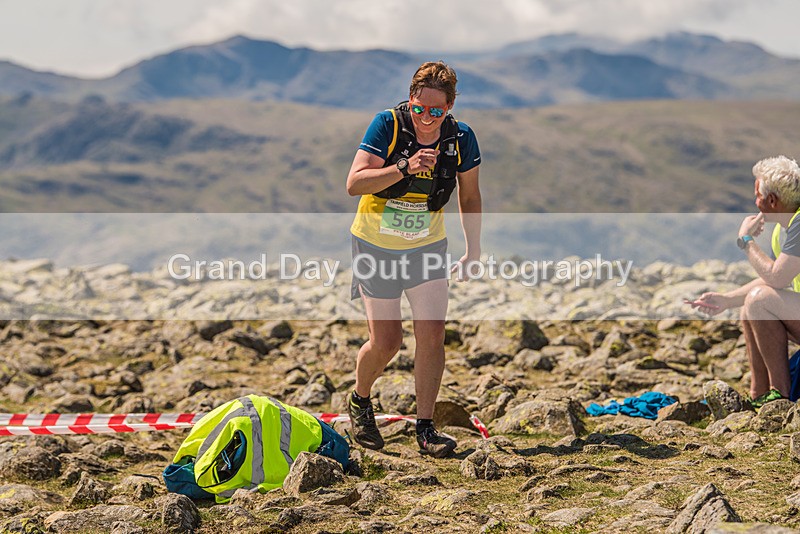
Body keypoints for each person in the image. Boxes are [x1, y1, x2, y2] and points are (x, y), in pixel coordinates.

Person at [345, 61, 482, 457]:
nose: (426, 118)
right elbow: (354, 183)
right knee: (387, 342)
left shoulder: (461, 138)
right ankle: (360, 400)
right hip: (375, 245)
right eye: (420, 109)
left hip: (426, 246)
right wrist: (404, 166)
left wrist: (473, 249)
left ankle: (426, 428)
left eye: (437, 112)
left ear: (451, 107)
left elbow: (469, 196)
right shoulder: (387, 125)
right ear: (411, 99)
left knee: (432, 335)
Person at [686, 155, 800, 408]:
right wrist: (727, 300)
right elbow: (775, 279)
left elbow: (776, 278)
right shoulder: (787, 227)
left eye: (757, 194)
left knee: (758, 302)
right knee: (751, 305)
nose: (755, 201)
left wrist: (746, 242)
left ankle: (780, 396)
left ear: (772, 200)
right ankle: (759, 394)